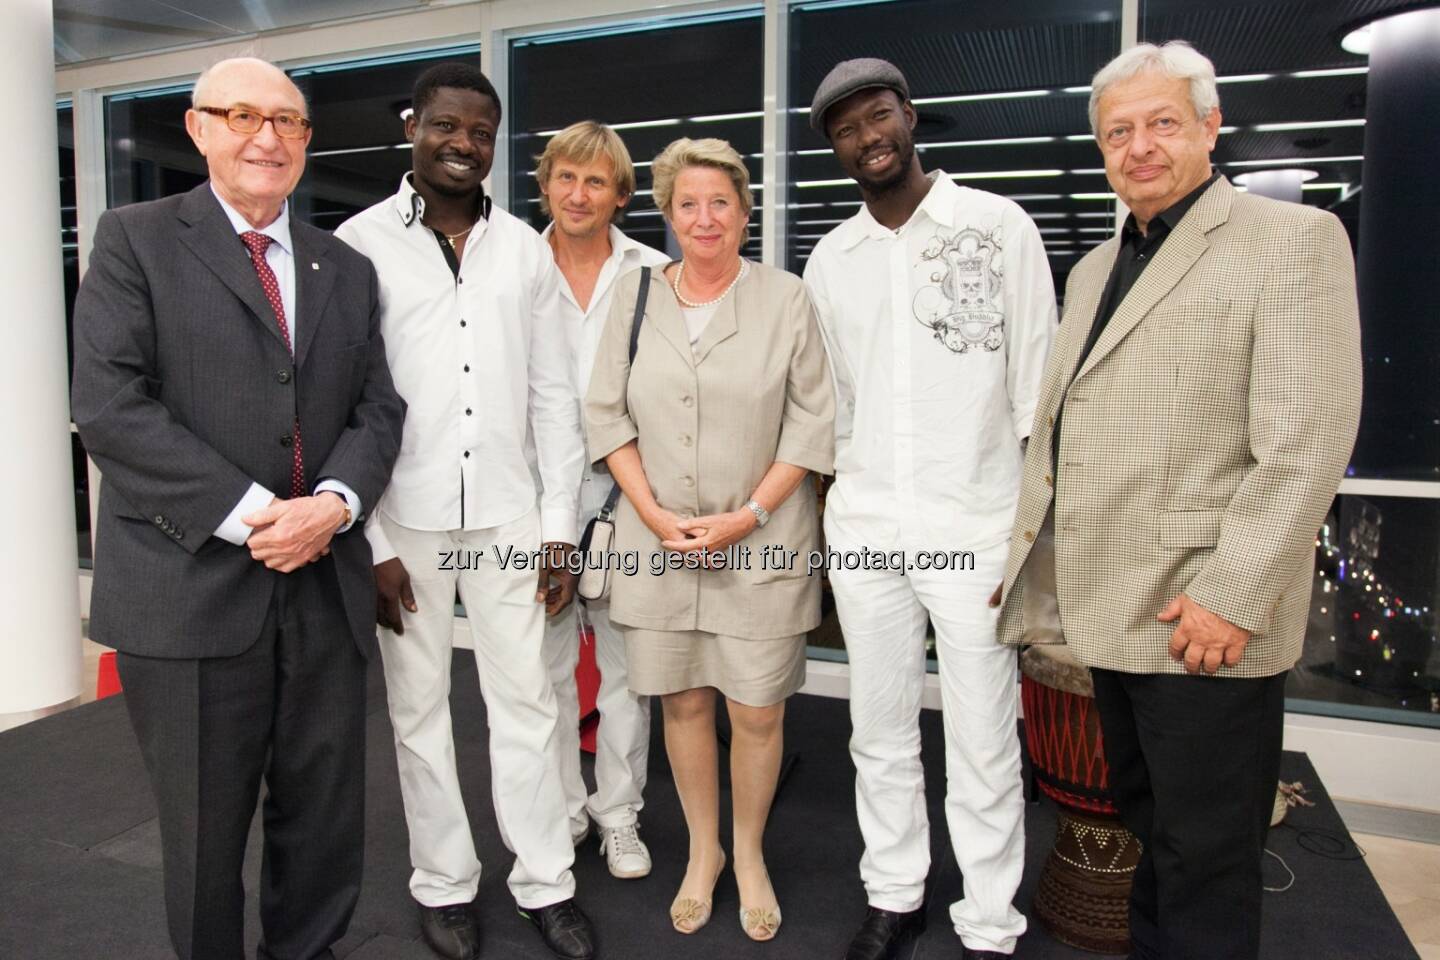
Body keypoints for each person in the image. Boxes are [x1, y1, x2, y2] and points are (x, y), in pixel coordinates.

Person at [992, 41, 1362, 960]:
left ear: (1210, 125)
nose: (1139, 147)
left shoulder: (1291, 240)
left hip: (1204, 617)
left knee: (1206, 860)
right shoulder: (1093, 270)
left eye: (1162, 123)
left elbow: (1306, 440)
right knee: (1150, 840)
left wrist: (1233, 594)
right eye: (1118, 132)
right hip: (1111, 610)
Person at [70, 57, 405, 960]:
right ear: (198, 127)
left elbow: (378, 409)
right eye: (243, 115)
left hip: (325, 590)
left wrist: (331, 506)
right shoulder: (134, 238)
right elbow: (111, 407)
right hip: (191, 589)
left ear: (306, 140)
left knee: (325, 820)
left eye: (289, 122)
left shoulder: (347, 266)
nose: (268, 137)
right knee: (203, 834)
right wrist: (264, 514)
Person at [332, 64, 592, 960]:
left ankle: (545, 881)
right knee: (418, 711)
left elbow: (557, 398)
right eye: (445, 126)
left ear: (494, 140)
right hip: (403, 522)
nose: (462, 144)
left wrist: (561, 532)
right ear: (413, 126)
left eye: (480, 132)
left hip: (513, 523)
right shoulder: (358, 245)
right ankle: (443, 883)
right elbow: (331, 403)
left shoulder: (525, 249)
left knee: (528, 703)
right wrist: (364, 540)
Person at [804, 58, 1056, 960]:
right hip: (868, 530)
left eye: (878, 116)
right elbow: (833, 404)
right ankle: (895, 892)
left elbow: (1036, 392)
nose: (868, 137)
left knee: (987, 736)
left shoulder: (996, 225)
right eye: (846, 129)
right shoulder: (831, 260)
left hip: (977, 527)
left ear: (908, 117)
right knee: (877, 730)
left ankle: (990, 920)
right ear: (833, 147)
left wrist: (1037, 539)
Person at [584, 137, 834, 942]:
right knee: (684, 703)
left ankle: (750, 851)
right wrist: (651, 513)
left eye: (721, 202)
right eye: (688, 203)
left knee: (756, 708)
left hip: (759, 540)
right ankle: (704, 852)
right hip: (655, 541)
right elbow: (606, 413)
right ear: (666, 212)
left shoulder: (786, 299)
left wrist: (748, 516)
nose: (704, 218)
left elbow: (812, 422)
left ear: (745, 213)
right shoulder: (633, 297)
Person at [535, 121, 670, 878]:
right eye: (565, 177)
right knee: (545, 672)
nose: (578, 194)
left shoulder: (653, 272)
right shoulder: (514, 266)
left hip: (629, 498)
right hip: (534, 498)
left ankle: (619, 815)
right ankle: (561, 812)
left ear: (620, 194)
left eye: (596, 181)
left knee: (626, 674)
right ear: (546, 182)